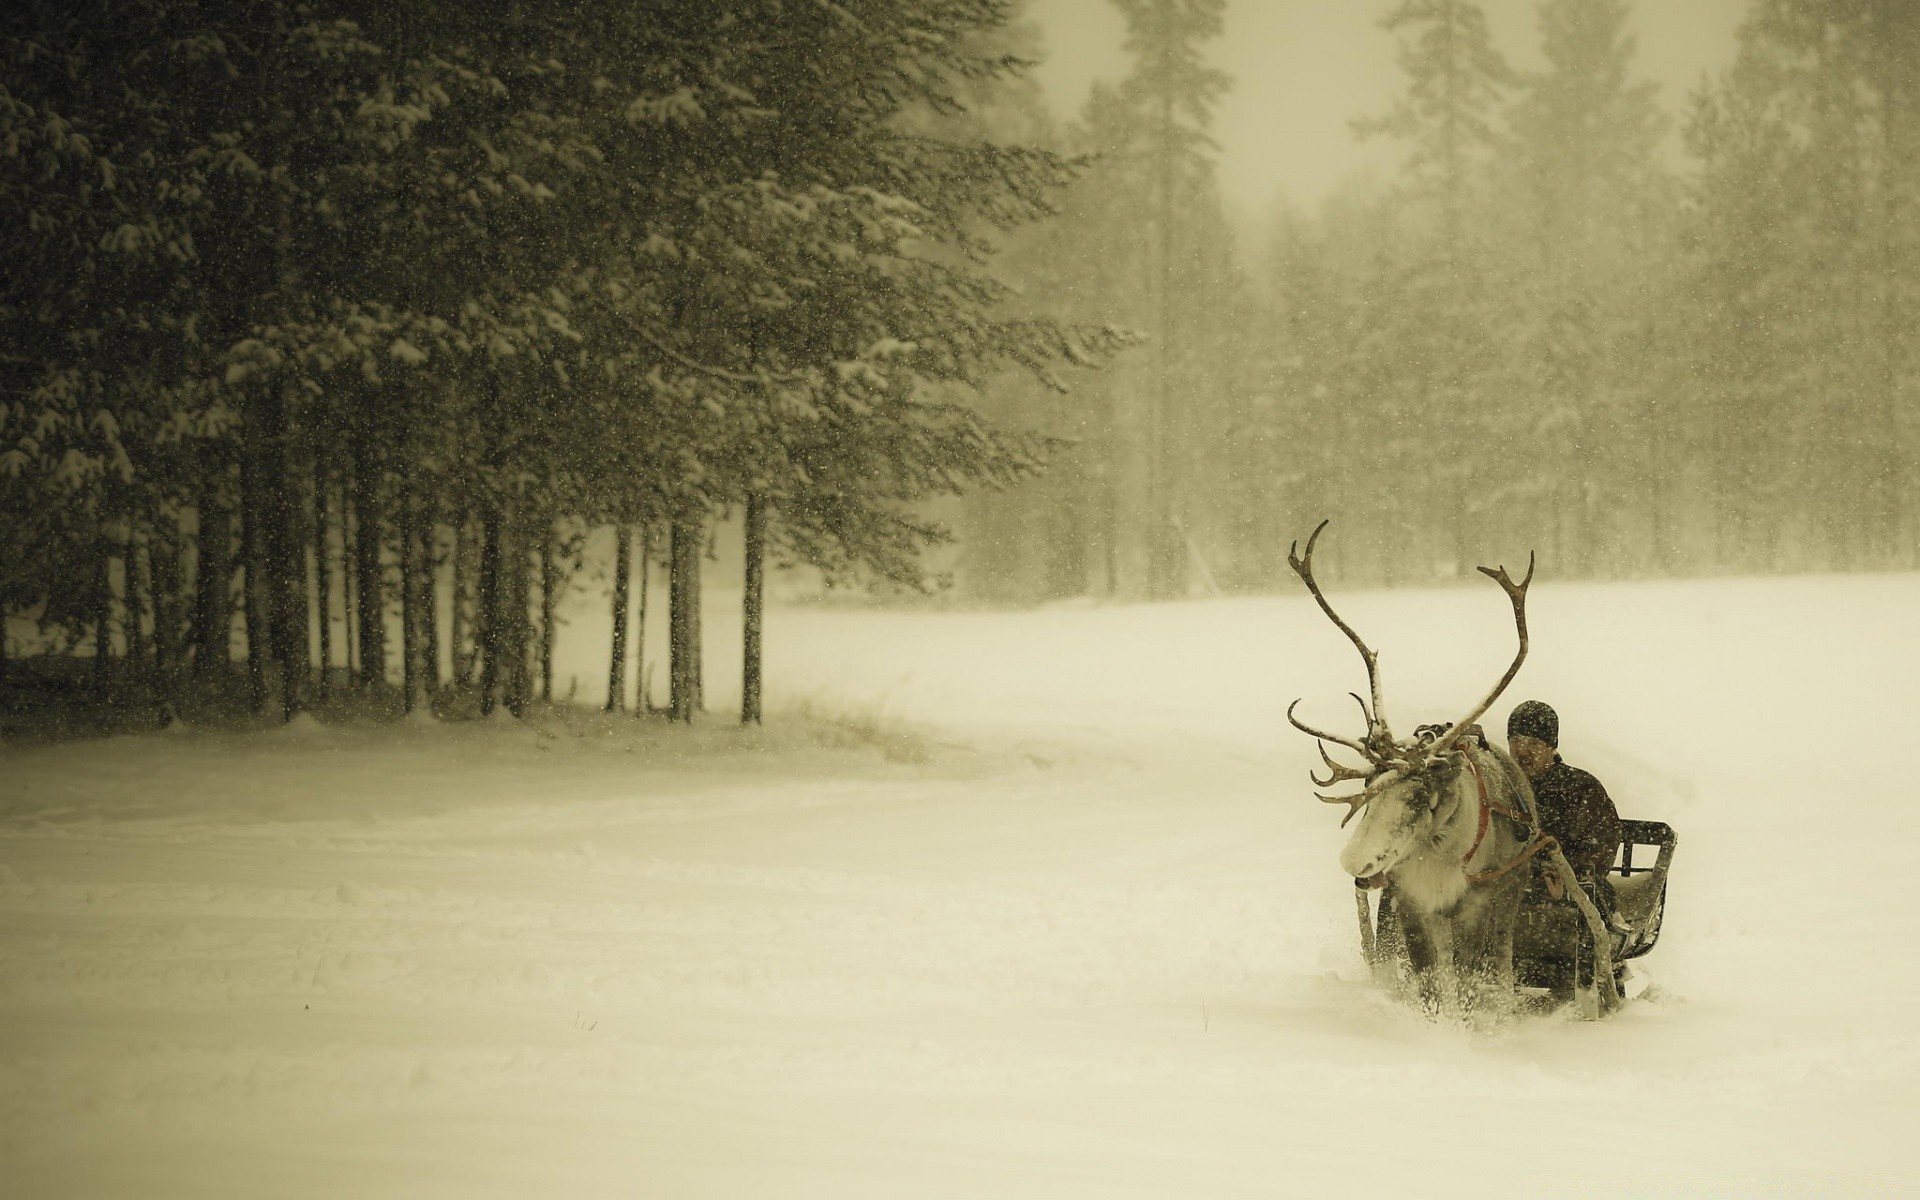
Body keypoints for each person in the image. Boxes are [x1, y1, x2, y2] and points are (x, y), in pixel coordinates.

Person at [1505, 700, 1621, 900]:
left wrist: (1566, 875)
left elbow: (1600, 846)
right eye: (1515, 742)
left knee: (1597, 897)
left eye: (1533, 743)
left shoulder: (1582, 788)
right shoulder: (1500, 787)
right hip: (1507, 885)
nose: (1522, 751)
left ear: (1552, 747)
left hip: (1569, 892)